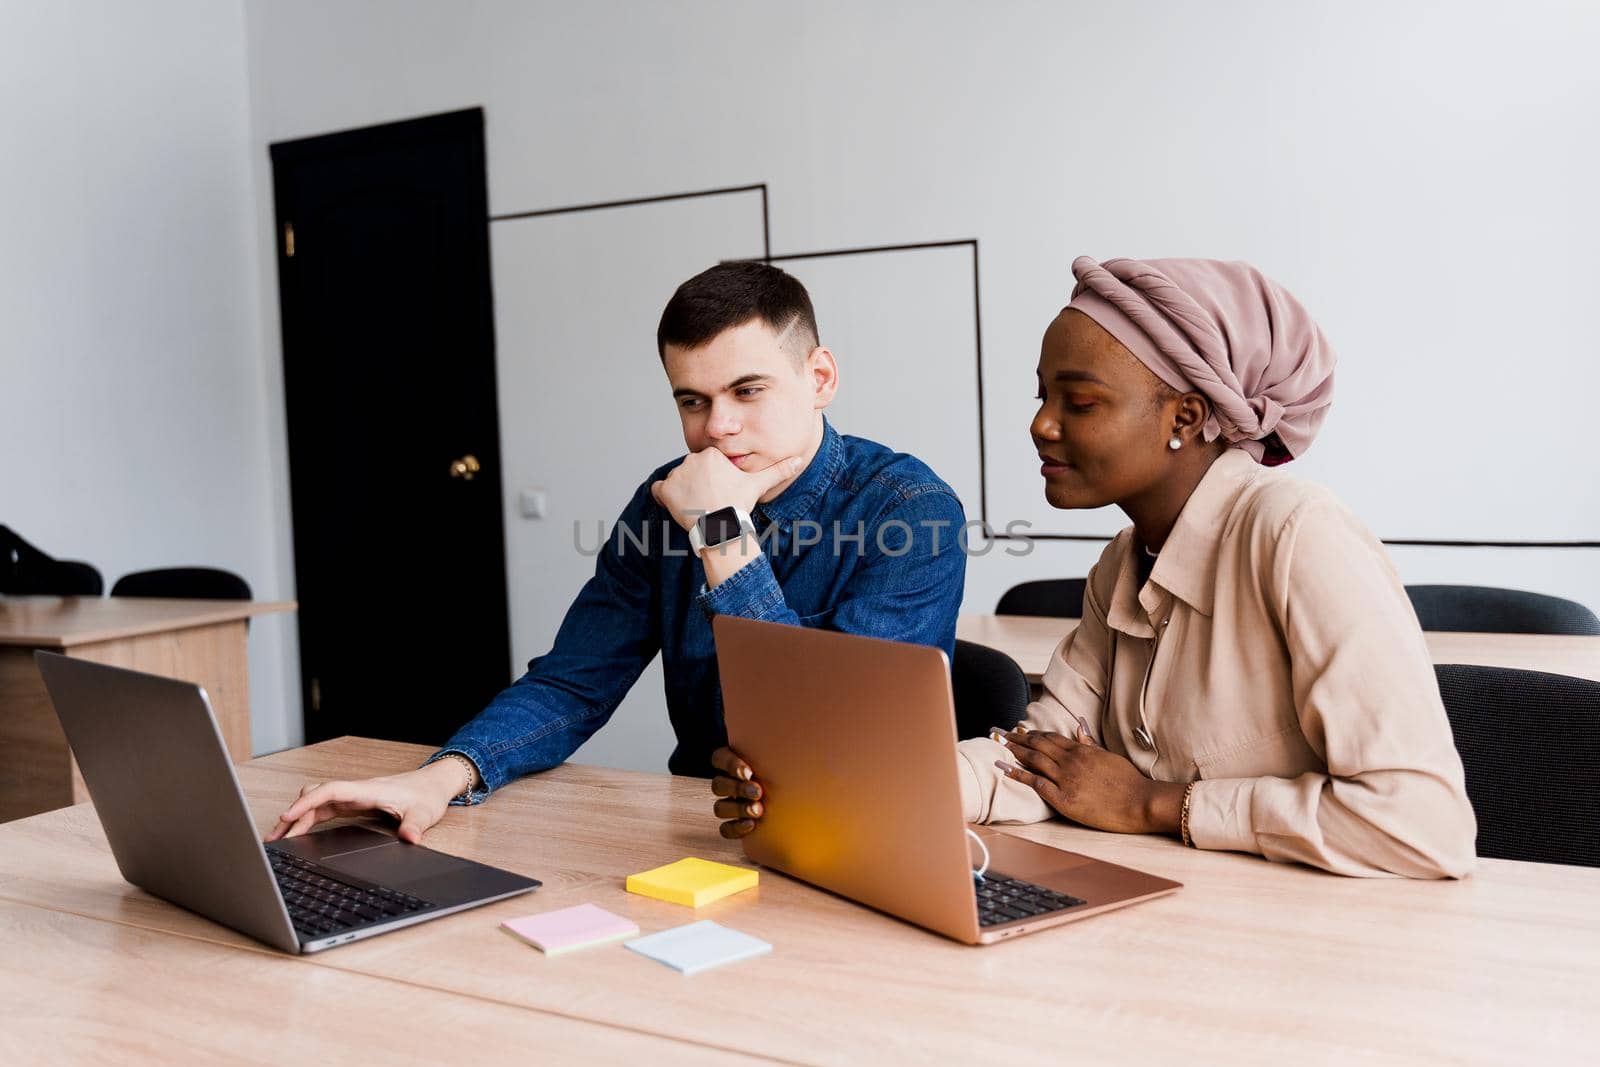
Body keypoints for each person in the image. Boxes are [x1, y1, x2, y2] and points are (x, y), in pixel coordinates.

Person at [713, 255, 1476, 878]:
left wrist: (1158, 803)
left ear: (1185, 416)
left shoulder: (1297, 536)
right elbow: (1039, 760)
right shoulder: (1120, 566)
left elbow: (1424, 823)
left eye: (1079, 401)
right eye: (1043, 395)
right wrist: (826, 791)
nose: (1041, 423)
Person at [270, 261, 967, 843]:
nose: (716, 428)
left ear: (819, 378)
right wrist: (438, 778)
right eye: (692, 401)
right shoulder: (665, 502)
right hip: (706, 830)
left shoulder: (911, 511)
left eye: (747, 390)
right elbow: (574, 680)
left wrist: (720, 533)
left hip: (861, 838)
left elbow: (835, 737)